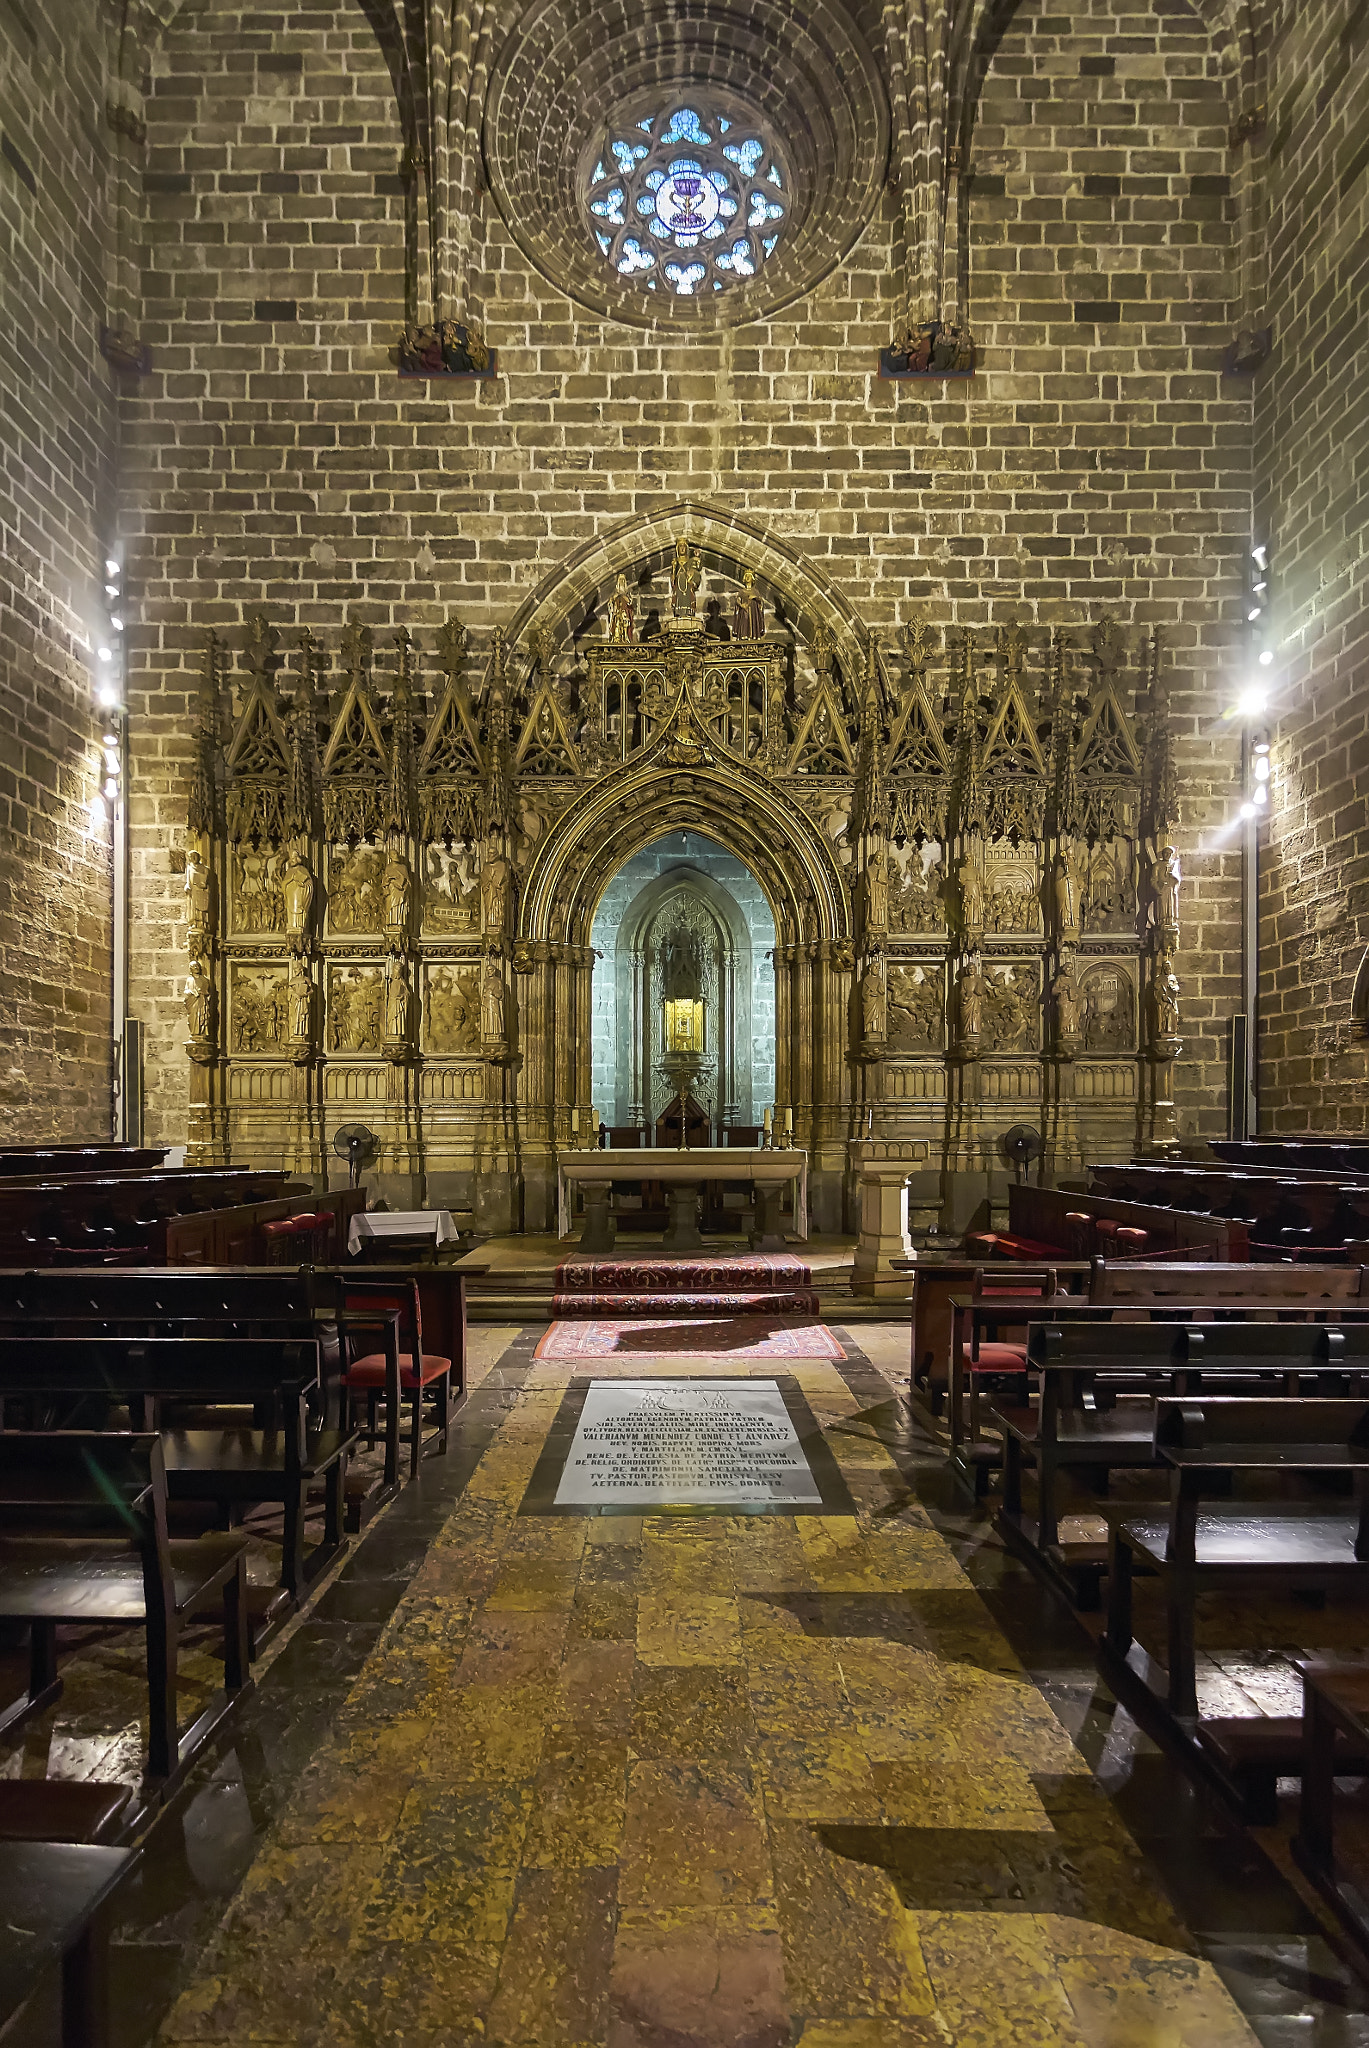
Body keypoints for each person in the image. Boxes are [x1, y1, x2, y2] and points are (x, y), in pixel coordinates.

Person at [669, 536, 702, 619]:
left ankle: (689, 612)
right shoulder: (675, 562)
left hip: (687, 586)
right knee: (679, 599)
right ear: (677, 548)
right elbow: (673, 579)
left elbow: (697, 569)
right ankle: (678, 612)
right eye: (680, 546)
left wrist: (697, 557)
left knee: (687, 599)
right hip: (679, 586)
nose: (682, 548)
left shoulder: (690, 561)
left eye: (684, 546)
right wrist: (673, 569)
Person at [731, 568, 766, 640]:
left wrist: (755, 598)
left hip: (753, 612)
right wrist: (741, 605)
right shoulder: (742, 591)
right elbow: (738, 601)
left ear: (752, 579)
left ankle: (754, 635)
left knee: (753, 622)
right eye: (746, 576)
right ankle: (743, 635)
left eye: (749, 576)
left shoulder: (755, 591)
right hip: (744, 611)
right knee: (744, 622)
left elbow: (760, 602)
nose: (747, 578)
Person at [607, 574, 637, 644]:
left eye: (623, 581)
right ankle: (616, 639)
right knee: (617, 626)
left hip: (625, 615)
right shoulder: (615, 596)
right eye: (620, 580)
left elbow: (630, 604)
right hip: (617, 615)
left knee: (626, 628)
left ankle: (626, 639)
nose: (621, 582)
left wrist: (624, 598)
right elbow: (610, 605)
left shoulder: (627, 596)